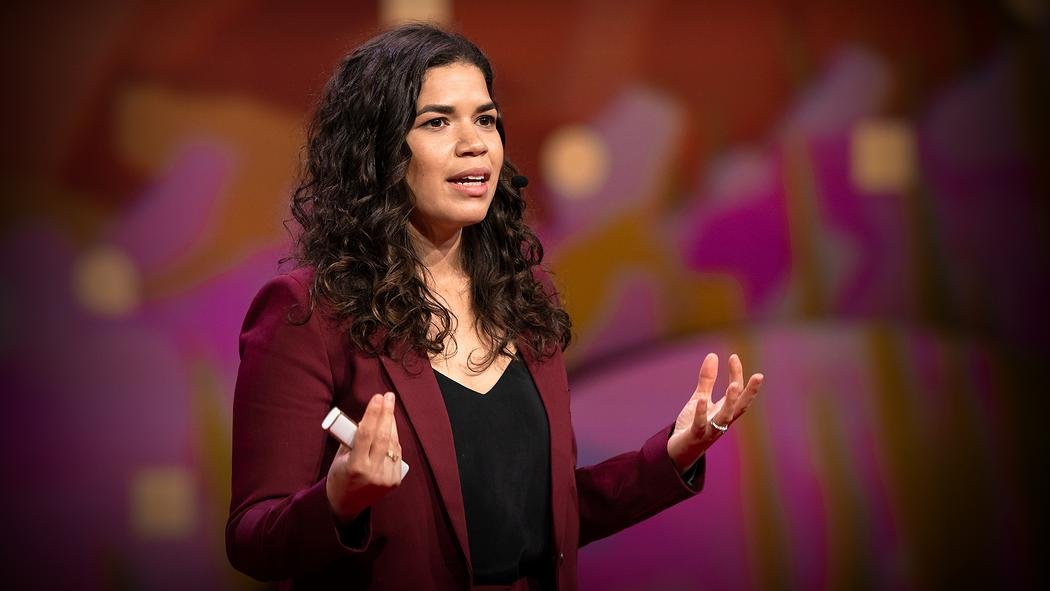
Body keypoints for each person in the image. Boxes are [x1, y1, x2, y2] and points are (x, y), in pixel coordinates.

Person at [226, 23, 762, 591]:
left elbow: (543, 520)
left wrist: (671, 457)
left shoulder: (523, 296)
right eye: (437, 122)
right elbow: (253, 538)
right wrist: (339, 499)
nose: (475, 142)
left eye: (484, 119)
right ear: (376, 150)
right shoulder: (309, 313)